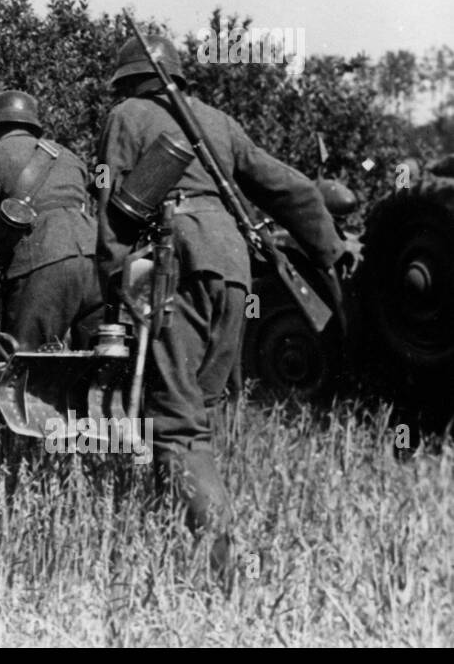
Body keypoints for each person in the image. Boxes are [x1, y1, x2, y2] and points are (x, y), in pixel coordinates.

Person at [95, 34, 348, 572]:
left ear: (127, 79)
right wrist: (331, 254)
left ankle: (218, 562)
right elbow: (292, 189)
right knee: (198, 413)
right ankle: (180, 535)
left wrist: (116, 284)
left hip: (174, 263)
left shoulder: (127, 115)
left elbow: (112, 212)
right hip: (233, 267)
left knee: (176, 422)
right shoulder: (218, 120)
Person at [0, 90, 102, 351]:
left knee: (25, 365)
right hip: (94, 258)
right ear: (33, 126)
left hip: (45, 263)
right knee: (95, 365)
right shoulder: (72, 158)